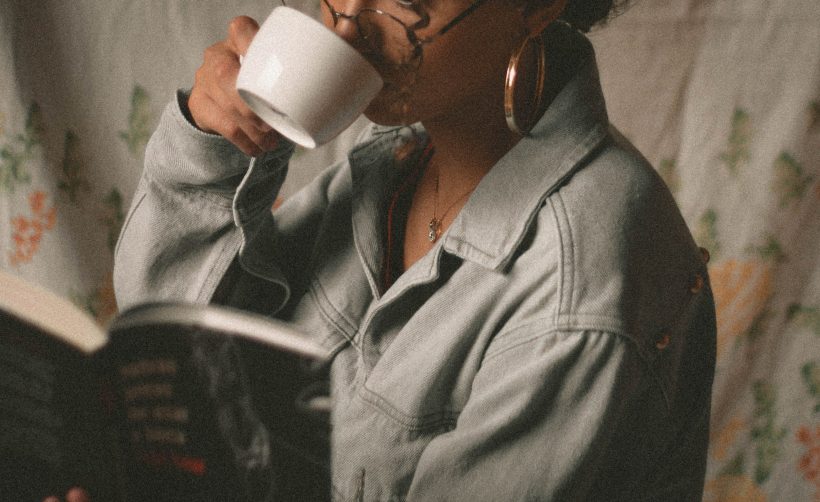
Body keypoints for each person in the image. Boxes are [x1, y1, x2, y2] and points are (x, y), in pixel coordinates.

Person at [112, 0, 717, 499]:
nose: (347, 20)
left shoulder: (581, 283)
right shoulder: (399, 164)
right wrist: (212, 144)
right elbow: (173, 361)